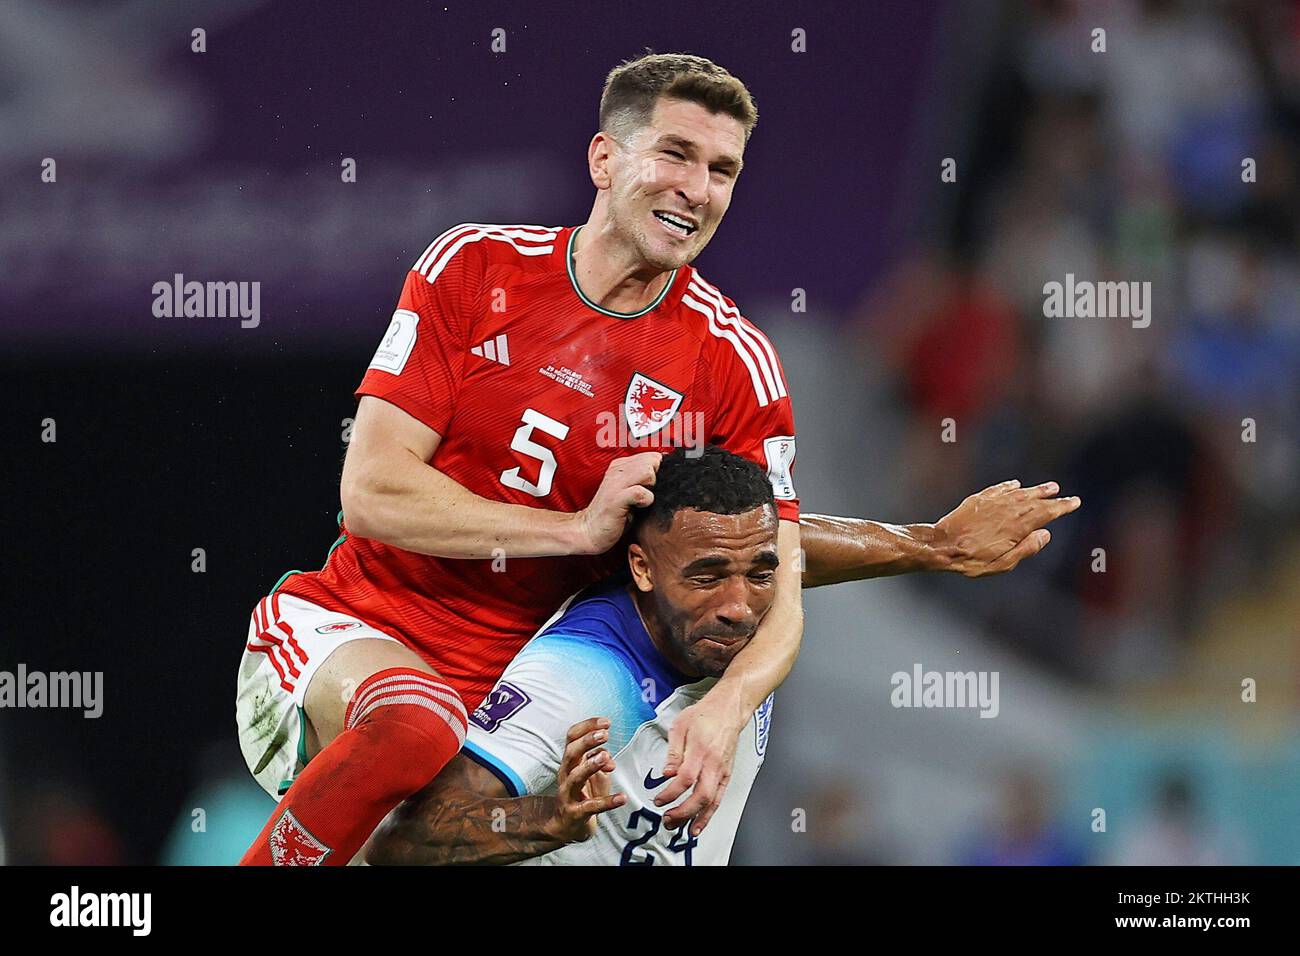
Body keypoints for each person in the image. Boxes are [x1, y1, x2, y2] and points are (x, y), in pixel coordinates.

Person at [237, 52, 1079, 866]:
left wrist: (738, 700)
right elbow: (374, 493)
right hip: (351, 640)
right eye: (676, 153)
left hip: (513, 714)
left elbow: (770, 568)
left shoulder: (730, 361)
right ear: (605, 158)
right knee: (412, 728)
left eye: (722, 169)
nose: (697, 188)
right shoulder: (475, 266)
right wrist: (575, 530)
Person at [365, 446, 782, 865]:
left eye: (761, 575)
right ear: (643, 569)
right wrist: (551, 821)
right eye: (706, 578)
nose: (739, 608)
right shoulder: (579, 675)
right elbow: (402, 837)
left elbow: (816, 550)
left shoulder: (757, 628)